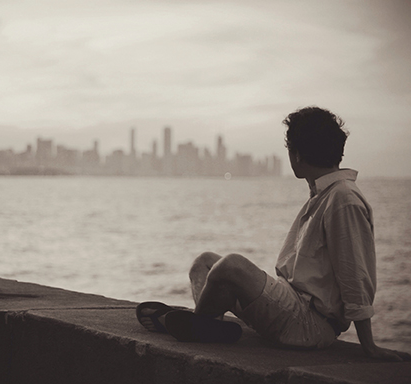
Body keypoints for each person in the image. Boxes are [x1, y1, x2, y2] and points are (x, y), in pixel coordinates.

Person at [137, 106, 411, 361]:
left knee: (231, 264)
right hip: (291, 306)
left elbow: (355, 275)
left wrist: (369, 346)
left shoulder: (343, 198)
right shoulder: (323, 193)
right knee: (205, 262)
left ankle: (199, 323)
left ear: (297, 155)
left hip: (310, 325)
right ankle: (208, 326)